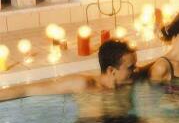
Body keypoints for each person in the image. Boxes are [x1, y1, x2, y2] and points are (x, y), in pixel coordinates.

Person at [0, 39, 141, 102]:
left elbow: (149, 68)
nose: (136, 69)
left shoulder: (128, 80)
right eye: (131, 67)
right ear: (111, 70)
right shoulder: (84, 84)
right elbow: (26, 90)